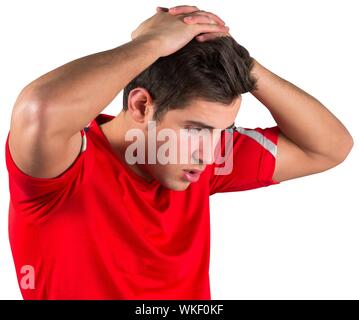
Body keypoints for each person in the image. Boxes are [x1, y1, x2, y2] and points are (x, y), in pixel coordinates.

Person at [5, 5, 353, 300]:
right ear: (141, 105)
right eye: (196, 130)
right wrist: (150, 43)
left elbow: (330, 147)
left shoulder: (204, 158)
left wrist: (245, 66)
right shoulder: (65, 168)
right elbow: (39, 110)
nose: (210, 153)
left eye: (223, 131)